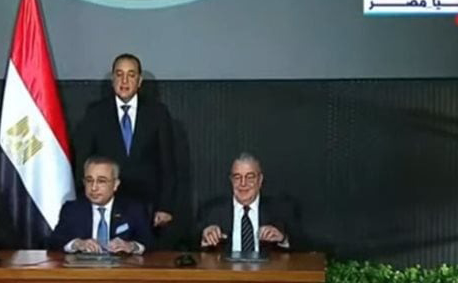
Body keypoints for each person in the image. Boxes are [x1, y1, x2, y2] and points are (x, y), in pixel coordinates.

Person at [74, 53, 176, 230]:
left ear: (139, 80)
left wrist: (165, 207)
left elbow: (168, 164)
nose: (124, 81)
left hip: (148, 207)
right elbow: (83, 161)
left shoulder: (157, 113)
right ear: (113, 79)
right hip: (108, 203)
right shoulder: (95, 113)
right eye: (119, 74)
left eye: (131, 75)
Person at [49, 156, 152, 254]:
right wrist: (76, 244)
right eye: (89, 180)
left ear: (115, 184)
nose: (94, 187)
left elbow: (149, 242)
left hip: (122, 265)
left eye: (101, 181)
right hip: (83, 265)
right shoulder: (72, 209)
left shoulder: (133, 209)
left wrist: (131, 246)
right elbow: (54, 241)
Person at [199, 153, 291, 251]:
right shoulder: (212, 212)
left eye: (250, 177)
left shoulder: (279, 211)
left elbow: (300, 245)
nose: (243, 183)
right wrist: (205, 239)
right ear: (231, 180)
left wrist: (283, 239)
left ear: (260, 180)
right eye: (237, 177)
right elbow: (190, 246)